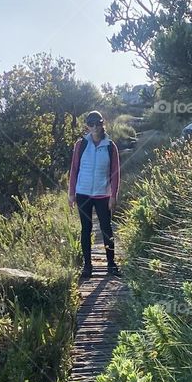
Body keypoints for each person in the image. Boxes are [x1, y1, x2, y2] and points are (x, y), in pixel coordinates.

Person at [68, 110, 122, 279]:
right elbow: (74, 169)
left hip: (103, 194)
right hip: (83, 193)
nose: (95, 127)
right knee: (86, 230)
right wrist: (71, 193)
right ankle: (87, 266)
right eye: (91, 124)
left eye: (97, 123)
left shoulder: (110, 146)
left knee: (106, 229)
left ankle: (111, 265)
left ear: (102, 123)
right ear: (87, 126)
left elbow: (115, 172)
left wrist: (113, 196)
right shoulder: (81, 145)